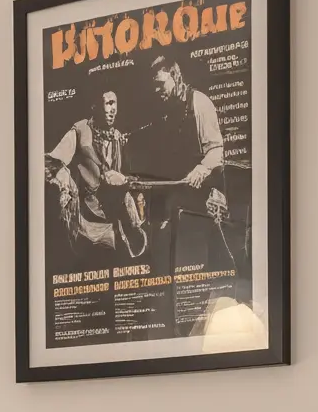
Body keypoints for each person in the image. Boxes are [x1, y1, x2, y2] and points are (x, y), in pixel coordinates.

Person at [132, 51, 247, 282]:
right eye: (152, 85)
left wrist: (202, 169)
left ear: (175, 76)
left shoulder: (200, 103)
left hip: (202, 199)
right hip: (174, 198)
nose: (156, 90)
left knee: (212, 267)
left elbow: (216, 150)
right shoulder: (162, 110)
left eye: (159, 83)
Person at [46, 84, 148, 260]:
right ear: (95, 106)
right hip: (87, 223)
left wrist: (131, 191)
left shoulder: (117, 137)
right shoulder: (80, 130)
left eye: (114, 103)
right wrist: (66, 187)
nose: (112, 109)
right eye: (108, 103)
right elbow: (52, 163)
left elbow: (128, 177)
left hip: (116, 221)